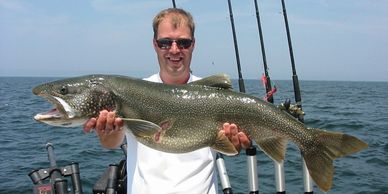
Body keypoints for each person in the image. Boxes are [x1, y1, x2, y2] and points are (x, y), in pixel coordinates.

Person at [84, 8, 251, 194]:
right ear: (155, 44)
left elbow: (231, 148)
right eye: (165, 43)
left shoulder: (212, 94)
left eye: (183, 43)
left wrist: (232, 145)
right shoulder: (131, 92)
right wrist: (107, 133)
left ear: (193, 44)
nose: (174, 49)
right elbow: (112, 143)